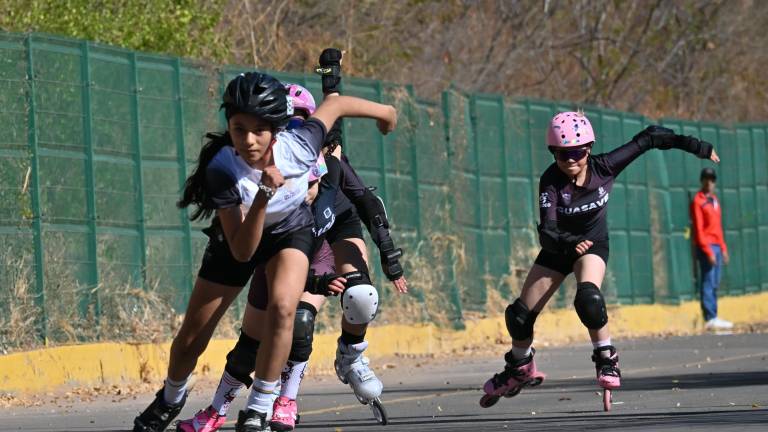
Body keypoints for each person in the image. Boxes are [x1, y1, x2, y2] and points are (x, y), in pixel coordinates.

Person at [132, 72, 397, 432]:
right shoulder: (223, 169)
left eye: (259, 130)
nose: (249, 141)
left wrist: (386, 113)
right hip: (238, 240)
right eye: (239, 129)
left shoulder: (300, 145)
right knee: (192, 338)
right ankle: (171, 397)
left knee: (285, 309)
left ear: (277, 128)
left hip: (289, 233)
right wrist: (264, 194)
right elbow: (243, 251)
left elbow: (336, 104)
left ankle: (259, 406)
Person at [479, 111, 720, 407]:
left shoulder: (606, 166)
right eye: (561, 154)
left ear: (589, 148)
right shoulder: (551, 181)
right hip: (559, 248)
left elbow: (651, 137)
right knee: (518, 316)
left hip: (593, 245)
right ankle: (519, 367)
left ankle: (606, 357)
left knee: (588, 299)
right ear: (553, 152)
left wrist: (697, 147)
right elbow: (548, 232)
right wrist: (569, 242)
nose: (570, 160)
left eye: (577, 153)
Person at [691, 167, 732, 330]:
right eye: (706, 179)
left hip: (717, 246)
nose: (709, 182)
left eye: (712, 179)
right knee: (708, 280)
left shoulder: (714, 201)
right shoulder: (698, 201)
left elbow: (717, 227)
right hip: (706, 246)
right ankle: (709, 317)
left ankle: (714, 315)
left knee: (715, 282)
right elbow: (699, 229)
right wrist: (708, 250)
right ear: (702, 181)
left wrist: (723, 247)